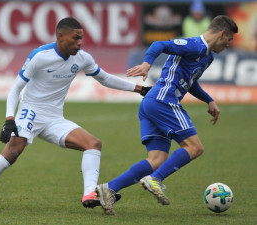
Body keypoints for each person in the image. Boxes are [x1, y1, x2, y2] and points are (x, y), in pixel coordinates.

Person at [0, 17, 151, 212]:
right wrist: (9, 118)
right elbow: (15, 89)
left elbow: (105, 78)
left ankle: (89, 193)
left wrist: (139, 89)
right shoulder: (40, 56)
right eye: (75, 38)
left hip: (54, 118)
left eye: (81, 38)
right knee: (13, 151)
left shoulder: (83, 57)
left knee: (93, 144)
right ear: (60, 36)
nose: (79, 43)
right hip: (31, 111)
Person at [95, 15, 238, 215]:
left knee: (157, 160)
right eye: (229, 39)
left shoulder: (208, 56)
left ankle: (109, 188)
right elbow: (158, 44)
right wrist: (146, 64)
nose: (229, 45)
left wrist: (209, 100)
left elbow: (191, 82)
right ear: (222, 33)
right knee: (195, 147)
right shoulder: (194, 45)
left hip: (152, 104)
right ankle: (155, 179)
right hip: (163, 100)